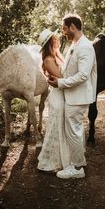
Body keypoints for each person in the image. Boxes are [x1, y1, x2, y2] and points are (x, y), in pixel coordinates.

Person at [48, 14, 97, 179]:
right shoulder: (75, 45)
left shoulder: (85, 47)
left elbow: (83, 75)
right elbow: (69, 69)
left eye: (64, 28)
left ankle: (76, 169)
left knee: (73, 132)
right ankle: (78, 162)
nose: (63, 32)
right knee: (76, 130)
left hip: (78, 97)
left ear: (73, 27)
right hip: (73, 96)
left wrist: (60, 83)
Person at [37, 28, 70, 172]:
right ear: (50, 42)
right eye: (55, 38)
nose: (58, 39)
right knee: (56, 127)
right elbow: (62, 78)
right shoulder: (48, 60)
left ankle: (64, 159)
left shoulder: (57, 55)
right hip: (57, 96)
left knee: (61, 127)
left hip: (63, 94)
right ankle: (52, 161)